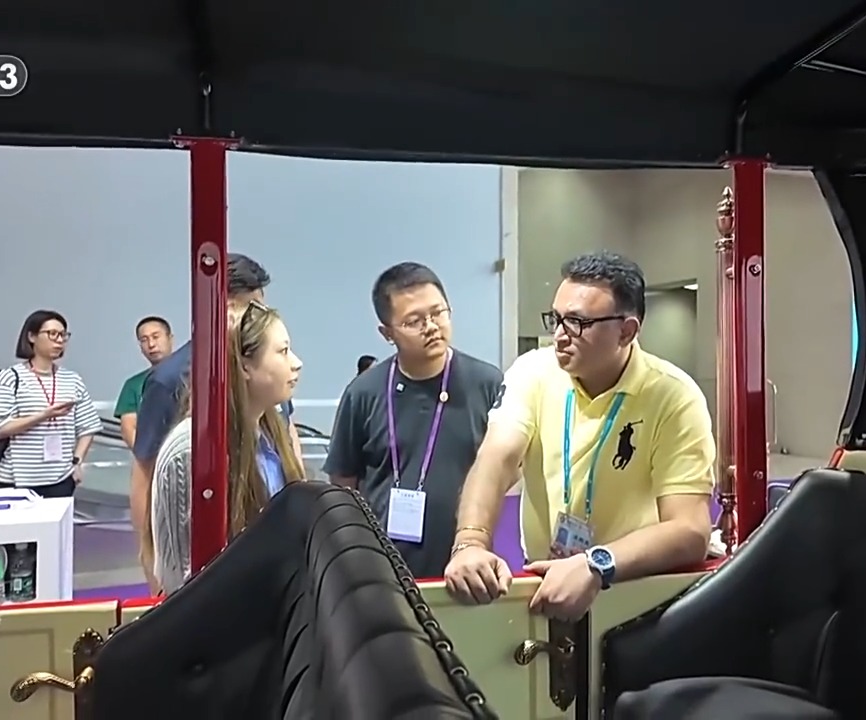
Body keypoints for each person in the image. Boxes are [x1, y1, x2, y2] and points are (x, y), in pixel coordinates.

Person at [443, 251, 714, 620]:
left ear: (626, 331)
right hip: (546, 583)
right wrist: (470, 543)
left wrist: (596, 563)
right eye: (556, 319)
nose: (558, 336)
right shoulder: (533, 371)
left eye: (577, 323)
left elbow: (690, 530)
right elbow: (496, 458)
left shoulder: (674, 396)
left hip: (632, 589)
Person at [131, 253, 303, 591]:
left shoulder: (266, 394)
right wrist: (153, 566)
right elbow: (146, 474)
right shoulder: (170, 383)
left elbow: (288, 431)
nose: (260, 318)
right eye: (251, 309)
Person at [324, 262, 503, 579]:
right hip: (382, 571)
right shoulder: (363, 392)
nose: (431, 327)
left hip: (467, 564)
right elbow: (343, 481)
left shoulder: (487, 383)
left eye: (438, 313)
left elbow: (508, 469)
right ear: (387, 333)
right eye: (414, 321)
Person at [0, 310, 104, 497]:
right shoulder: (10, 377)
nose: (59, 340)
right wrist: (43, 416)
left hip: (61, 479)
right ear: (31, 336)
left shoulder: (72, 380)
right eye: (52, 334)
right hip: (16, 481)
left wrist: (77, 461)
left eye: (63, 335)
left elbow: (88, 426)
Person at [114, 316, 175, 449]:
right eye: (144, 340)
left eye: (156, 337)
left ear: (170, 338)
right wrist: (148, 457)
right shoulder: (133, 385)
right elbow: (129, 428)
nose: (151, 344)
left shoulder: (193, 377)